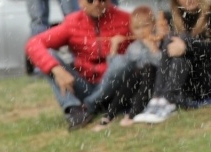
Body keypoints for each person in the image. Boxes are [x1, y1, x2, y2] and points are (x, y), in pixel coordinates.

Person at [25, 0, 131, 130]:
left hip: (113, 87)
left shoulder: (126, 19)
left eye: (102, 0)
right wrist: (56, 69)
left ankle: (89, 106)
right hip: (84, 85)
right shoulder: (72, 22)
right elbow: (33, 44)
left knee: (122, 61)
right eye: (91, 1)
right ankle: (74, 109)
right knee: (49, 58)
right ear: (81, 2)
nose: (97, 4)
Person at [133, 0, 211, 124]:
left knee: (182, 39)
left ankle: (166, 99)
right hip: (187, 82)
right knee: (175, 45)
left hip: (206, 80)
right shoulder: (174, 18)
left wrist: (187, 47)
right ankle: (159, 99)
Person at [92, 5, 165, 130]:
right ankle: (110, 114)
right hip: (138, 85)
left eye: (145, 26)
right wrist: (114, 47)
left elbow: (162, 64)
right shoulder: (133, 47)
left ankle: (133, 113)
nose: (141, 31)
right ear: (132, 29)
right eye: (137, 28)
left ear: (153, 25)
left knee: (148, 68)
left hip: (155, 84)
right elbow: (116, 67)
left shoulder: (159, 41)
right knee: (131, 78)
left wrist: (152, 47)